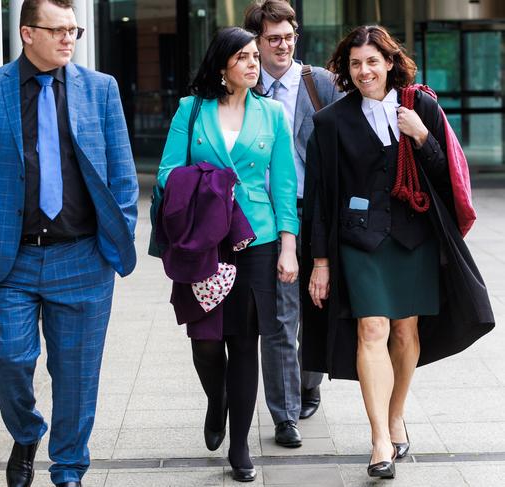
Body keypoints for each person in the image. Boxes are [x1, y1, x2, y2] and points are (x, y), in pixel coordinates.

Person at [0, 0, 138, 485]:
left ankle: (70, 468)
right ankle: (28, 430)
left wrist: (115, 236)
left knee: (76, 374)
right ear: (27, 33)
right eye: (57, 31)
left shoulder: (100, 89)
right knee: (10, 359)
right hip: (6, 258)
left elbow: (121, 173)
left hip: (81, 255)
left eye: (72, 30)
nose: (68, 40)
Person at [301, 25, 494, 479]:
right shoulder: (330, 122)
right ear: (345, 70)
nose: (364, 70)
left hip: (414, 237)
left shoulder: (419, 106)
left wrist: (423, 137)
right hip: (359, 241)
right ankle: (379, 440)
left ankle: (395, 414)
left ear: (390, 62)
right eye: (355, 63)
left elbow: (451, 178)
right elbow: (320, 198)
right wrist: (320, 263)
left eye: (372, 61)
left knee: (406, 334)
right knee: (371, 329)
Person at [157, 26, 299, 482]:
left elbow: (283, 186)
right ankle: (215, 398)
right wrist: (212, 185)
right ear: (222, 66)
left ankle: (240, 447)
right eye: (242, 57)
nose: (253, 63)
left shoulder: (273, 114)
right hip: (203, 239)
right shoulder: (191, 110)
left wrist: (289, 246)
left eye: (255, 55)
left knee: (244, 343)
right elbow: (165, 173)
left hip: (255, 242)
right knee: (204, 344)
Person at [243, 0, 343, 447]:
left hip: (316, 213)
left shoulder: (319, 83)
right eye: (273, 39)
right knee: (281, 319)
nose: (283, 45)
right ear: (256, 42)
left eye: (289, 36)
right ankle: (284, 415)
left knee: (316, 310)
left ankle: (308, 382)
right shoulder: (243, 85)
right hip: (267, 220)